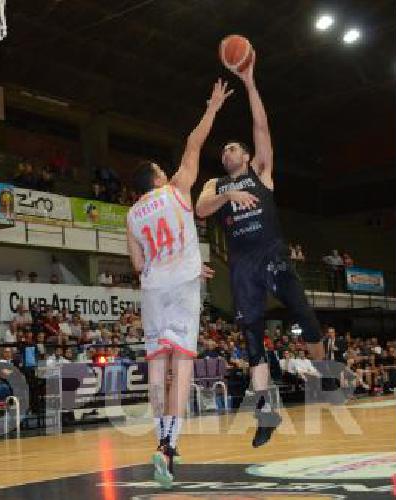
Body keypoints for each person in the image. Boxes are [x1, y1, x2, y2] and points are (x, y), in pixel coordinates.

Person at [194, 54, 341, 450]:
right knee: (253, 344)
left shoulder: (262, 172)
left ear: (246, 156)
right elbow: (200, 208)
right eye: (223, 151)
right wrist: (229, 193)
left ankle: (326, 371)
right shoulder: (215, 185)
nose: (227, 154)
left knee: (307, 321)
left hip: (273, 257)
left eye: (233, 149)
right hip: (242, 268)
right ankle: (266, 414)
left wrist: (250, 82)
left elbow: (261, 126)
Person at [126, 79, 228, 489]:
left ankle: (160, 438)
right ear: (156, 176)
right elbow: (194, 142)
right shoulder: (177, 188)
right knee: (183, 365)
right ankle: (168, 445)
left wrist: (186, 264)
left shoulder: (132, 215)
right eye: (160, 169)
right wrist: (213, 107)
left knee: (158, 368)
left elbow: (139, 263)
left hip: (154, 290)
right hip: (182, 288)